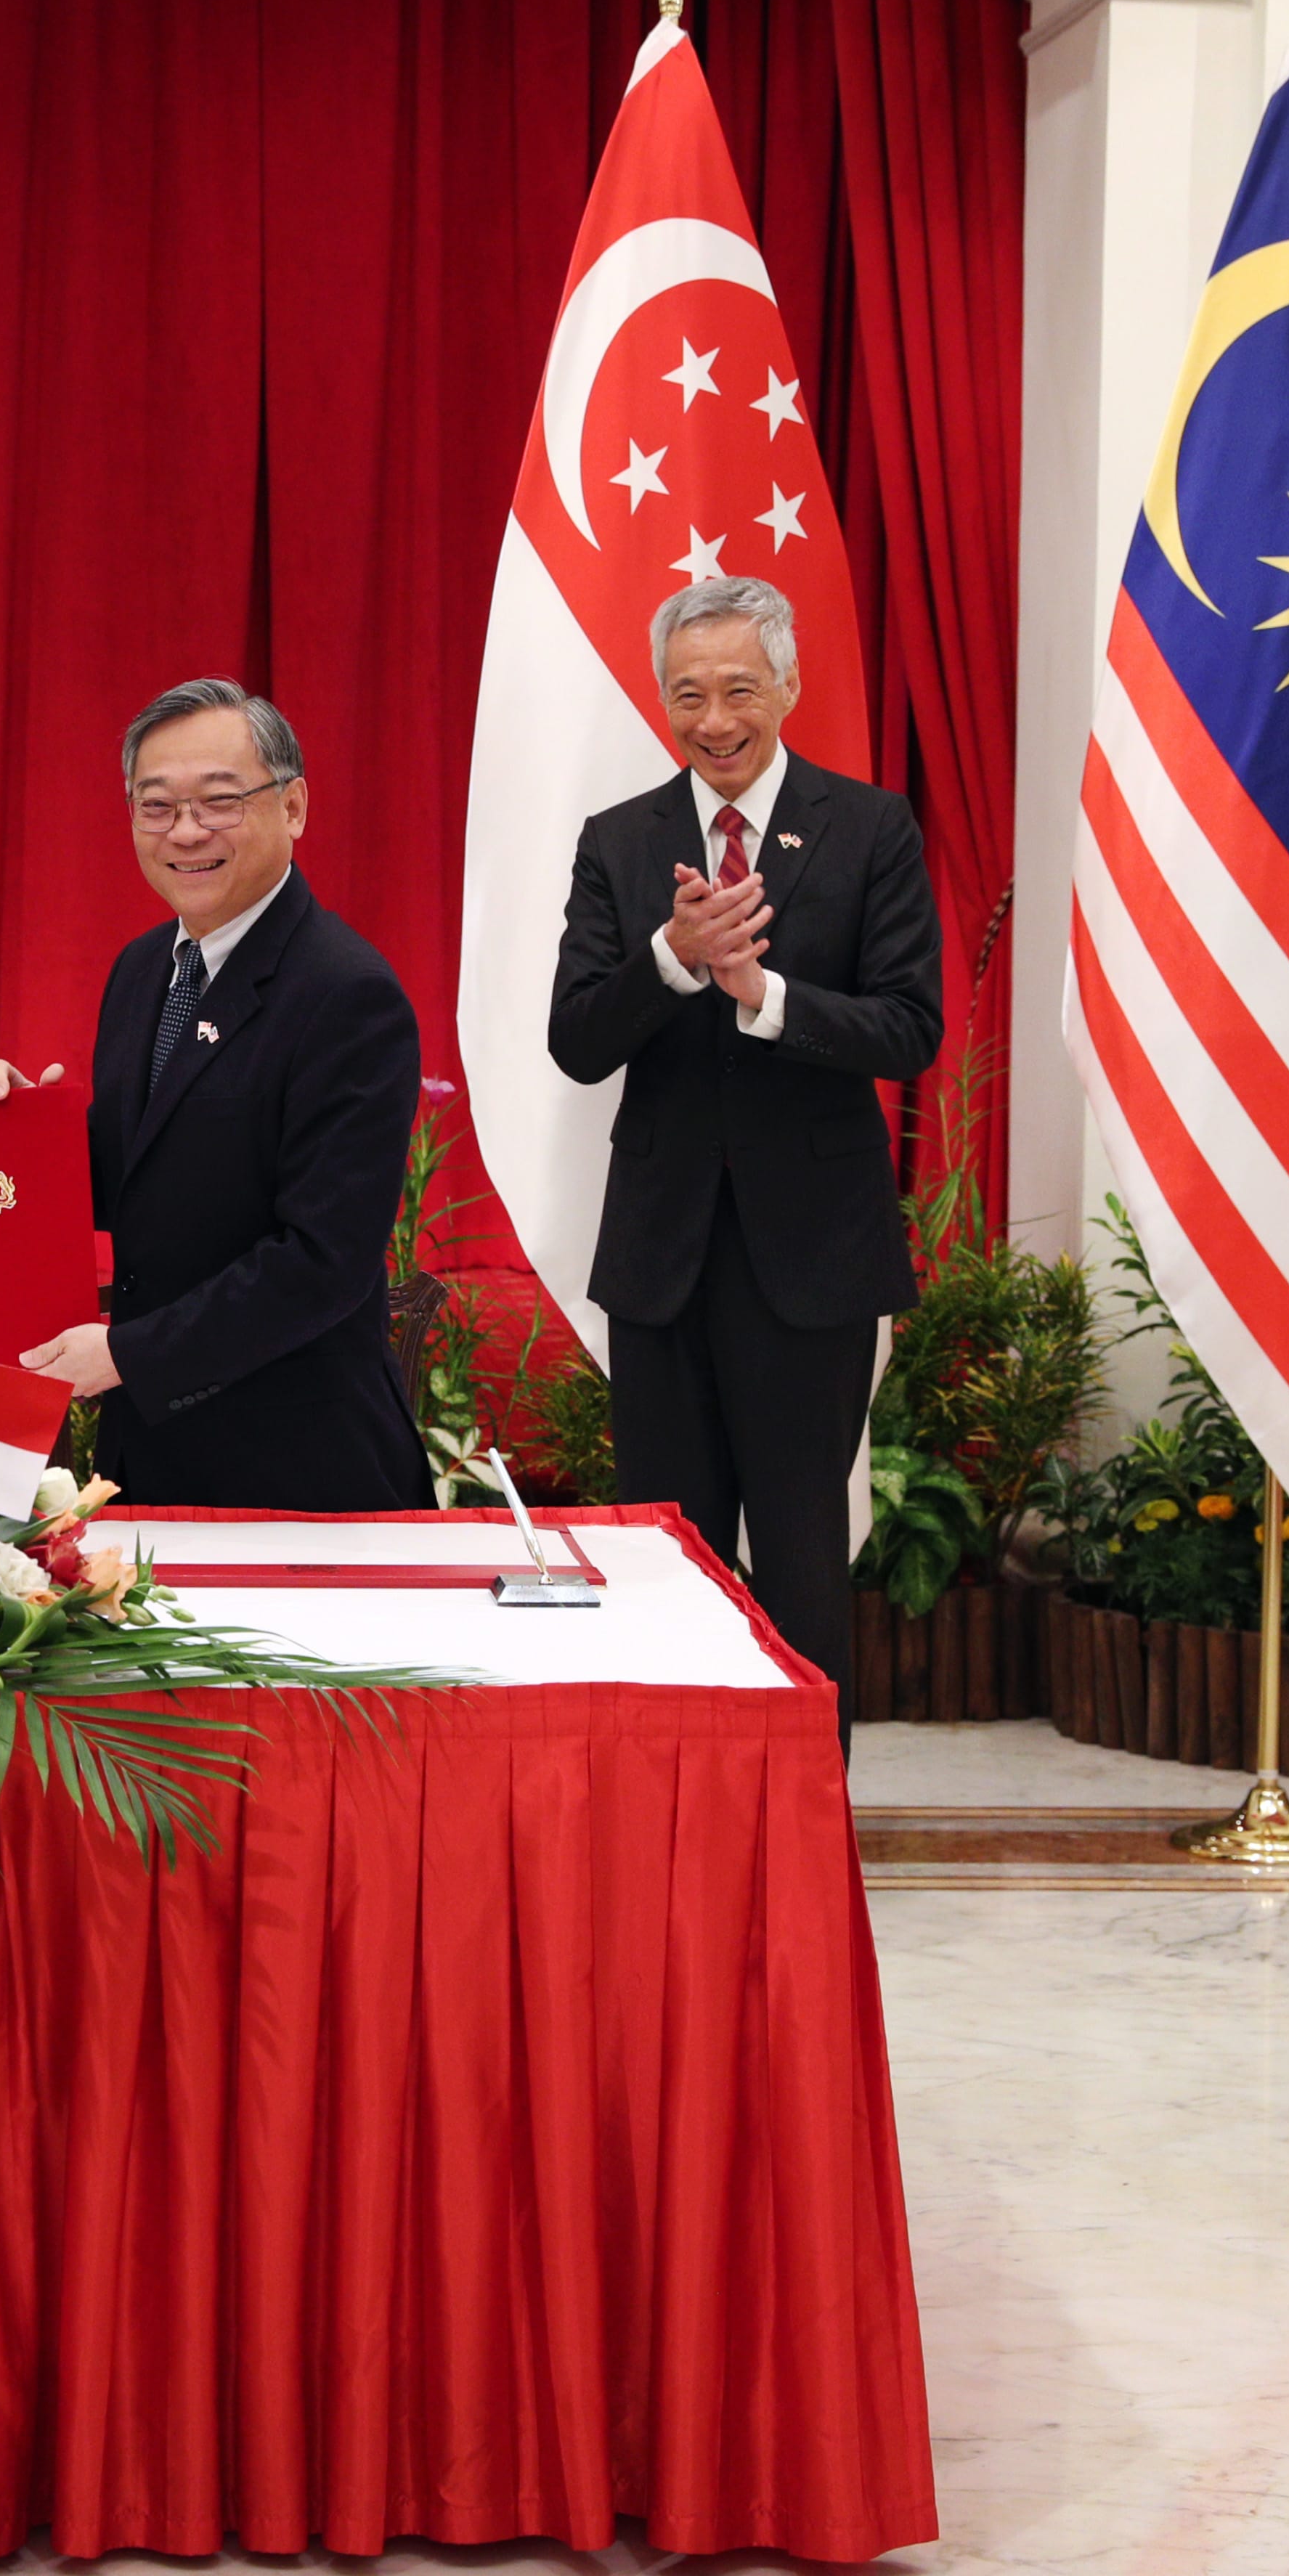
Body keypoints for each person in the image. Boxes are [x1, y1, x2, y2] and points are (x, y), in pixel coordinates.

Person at [548, 572, 942, 1720]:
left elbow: (910, 1027)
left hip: (811, 1261)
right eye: (687, 694)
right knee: (667, 1550)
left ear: (789, 685)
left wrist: (762, 989)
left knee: (806, 1555)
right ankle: (681, 1813)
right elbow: (576, 1042)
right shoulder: (620, 842)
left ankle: (808, 1818)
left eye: (737, 690)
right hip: (663, 1260)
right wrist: (671, 960)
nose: (713, 720)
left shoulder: (869, 826)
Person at [0, 679, 431, 1512]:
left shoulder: (346, 992)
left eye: (219, 802)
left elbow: (324, 1259)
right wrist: (18, 1137)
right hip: (147, 1456)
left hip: (298, 1468)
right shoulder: (145, 967)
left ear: (293, 807)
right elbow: (135, 1170)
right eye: (157, 805)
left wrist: (130, 1356)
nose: (185, 832)